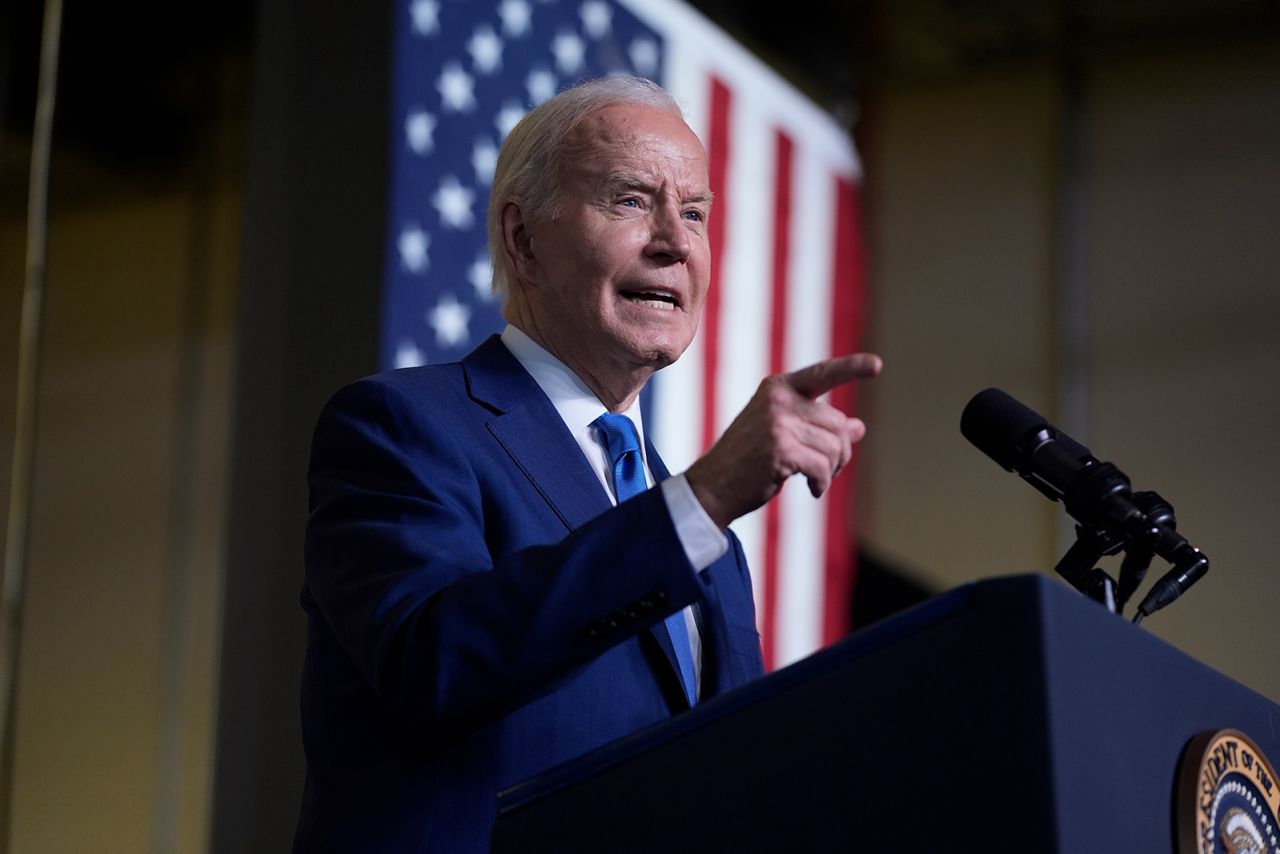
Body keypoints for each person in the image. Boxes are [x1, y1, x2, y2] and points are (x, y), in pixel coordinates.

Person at [292, 75, 881, 853]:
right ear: (523, 238)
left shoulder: (711, 543)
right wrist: (700, 501)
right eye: (632, 200)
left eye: (695, 212)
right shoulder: (400, 428)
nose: (675, 240)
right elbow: (435, 662)